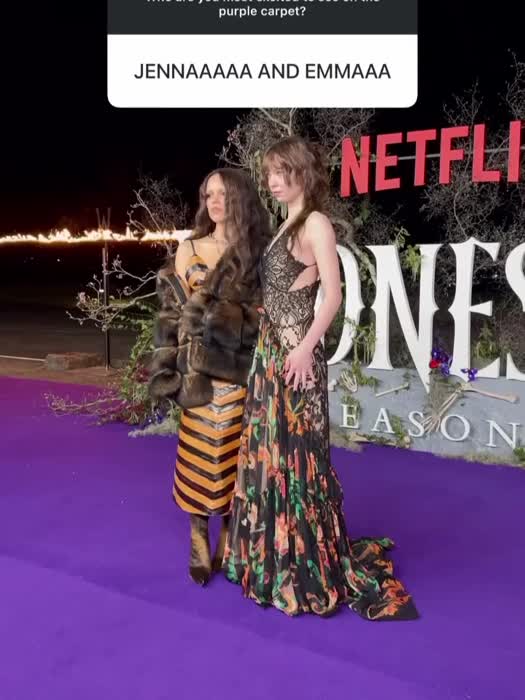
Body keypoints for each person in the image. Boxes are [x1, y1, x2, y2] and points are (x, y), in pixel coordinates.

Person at [222, 136, 419, 620]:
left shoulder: (316, 223)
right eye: (269, 172)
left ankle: (302, 564)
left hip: (298, 358)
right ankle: (273, 559)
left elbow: (333, 295)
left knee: (298, 457)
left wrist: (306, 347)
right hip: (273, 356)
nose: (272, 181)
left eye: (281, 171)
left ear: (303, 173)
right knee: (273, 454)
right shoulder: (285, 224)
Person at [149, 168, 272, 586]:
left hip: (239, 370)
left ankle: (228, 535)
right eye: (209, 194)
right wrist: (168, 367)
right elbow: (178, 310)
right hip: (199, 370)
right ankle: (198, 535)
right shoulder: (190, 247)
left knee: (235, 455)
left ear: (241, 197)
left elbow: (263, 313)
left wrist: (233, 319)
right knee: (198, 453)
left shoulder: (256, 252)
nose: (215, 202)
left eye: (223, 194)